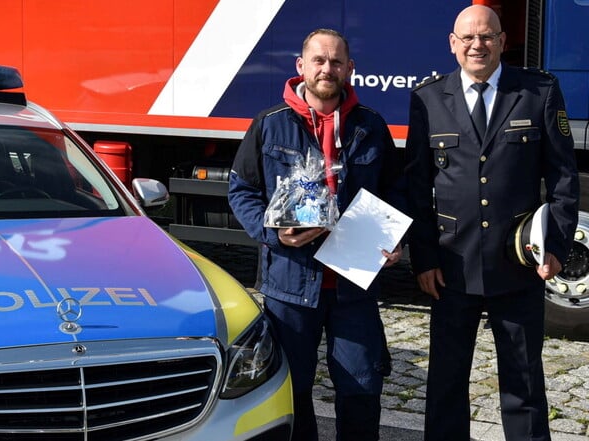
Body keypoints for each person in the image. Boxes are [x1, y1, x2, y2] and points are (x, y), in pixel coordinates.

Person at [405, 5, 579, 441]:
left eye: (486, 36)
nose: (477, 45)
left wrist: (555, 247)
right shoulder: (428, 99)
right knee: (445, 384)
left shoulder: (538, 92)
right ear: (452, 44)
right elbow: (416, 187)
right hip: (451, 268)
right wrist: (423, 259)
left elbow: (562, 176)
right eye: (467, 38)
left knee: (523, 385)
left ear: (503, 41)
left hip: (517, 267)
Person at [228, 28, 406, 441]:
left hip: (353, 284)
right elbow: (241, 191)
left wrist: (395, 237)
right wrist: (274, 235)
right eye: (319, 60)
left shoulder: (371, 126)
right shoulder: (269, 125)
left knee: (362, 387)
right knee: (293, 389)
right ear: (301, 66)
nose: (328, 69)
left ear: (350, 69)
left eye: (337, 62)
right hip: (290, 284)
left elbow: (397, 192)